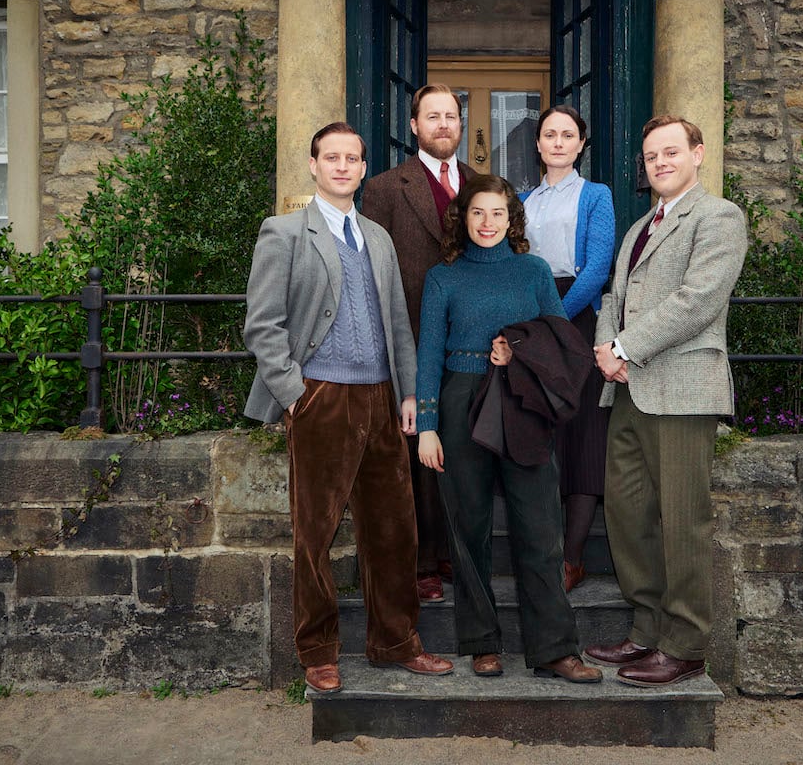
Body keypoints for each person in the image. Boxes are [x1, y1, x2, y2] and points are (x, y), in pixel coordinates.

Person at [243, 121, 454, 695]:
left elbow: (397, 328)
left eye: (353, 158)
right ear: (313, 166)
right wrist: (294, 394)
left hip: (382, 399)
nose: (342, 166)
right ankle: (318, 651)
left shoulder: (378, 237)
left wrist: (410, 393)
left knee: (394, 532)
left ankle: (396, 642)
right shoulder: (283, 232)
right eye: (331, 157)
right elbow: (262, 326)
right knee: (314, 534)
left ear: (363, 169)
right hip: (321, 397)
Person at [415, 174, 602, 684]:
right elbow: (429, 352)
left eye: (498, 213)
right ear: (463, 218)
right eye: (478, 213)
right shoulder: (443, 276)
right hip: (459, 401)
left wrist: (517, 352)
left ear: (512, 218)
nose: (488, 223)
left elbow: (559, 341)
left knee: (541, 526)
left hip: (522, 404)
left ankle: (555, 650)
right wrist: (427, 425)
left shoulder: (534, 271)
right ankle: (482, 643)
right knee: (469, 527)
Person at [584, 115, 747, 687]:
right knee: (629, 515)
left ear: (697, 154)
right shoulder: (638, 228)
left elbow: (697, 301)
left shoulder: (719, 218)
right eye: (652, 155)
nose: (660, 163)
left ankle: (685, 645)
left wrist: (627, 344)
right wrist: (606, 345)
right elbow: (613, 293)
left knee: (682, 521)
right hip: (627, 387)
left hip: (681, 391)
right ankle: (646, 630)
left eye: (671, 152)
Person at [362, 84, 477, 604]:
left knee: (466, 444)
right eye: (433, 117)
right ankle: (425, 561)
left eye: (451, 117)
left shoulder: (482, 185)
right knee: (416, 451)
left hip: (471, 339)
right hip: (410, 334)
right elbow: (373, 271)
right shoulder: (387, 187)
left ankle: (462, 552)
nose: (443, 125)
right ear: (415, 126)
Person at [518, 105, 615, 592]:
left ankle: (571, 559)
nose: (558, 142)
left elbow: (598, 266)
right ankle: (539, 551)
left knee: (581, 436)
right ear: (538, 144)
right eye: (549, 134)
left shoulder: (596, 196)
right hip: (530, 324)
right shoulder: (520, 199)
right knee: (536, 434)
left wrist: (553, 316)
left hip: (575, 320)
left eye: (568, 135)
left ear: (580, 145)